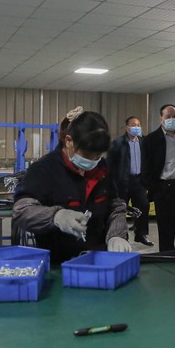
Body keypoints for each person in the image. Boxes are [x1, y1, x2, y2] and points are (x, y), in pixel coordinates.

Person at [13, 108, 130, 264]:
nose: (93, 161)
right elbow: (21, 211)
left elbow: (115, 206)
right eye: (87, 155)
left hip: (98, 262)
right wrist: (55, 216)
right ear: (69, 141)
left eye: (98, 156)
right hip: (57, 265)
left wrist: (116, 234)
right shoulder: (43, 170)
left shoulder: (102, 168)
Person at [141, 104, 175, 251]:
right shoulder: (151, 140)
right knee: (166, 233)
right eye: (168, 117)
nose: (172, 119)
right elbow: (146, 168)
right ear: (161, 118)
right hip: (165, 191)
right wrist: (155, 189)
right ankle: (168, 262)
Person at [106, 116, 153, 247]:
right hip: (123, 182)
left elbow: (148, 162)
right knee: (121, 210)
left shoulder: (144, 142)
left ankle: (141, 234)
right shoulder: (118, 143)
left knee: (143, 205)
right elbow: (109, 164)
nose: (136, 127)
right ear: (127, 127)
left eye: (138, 124)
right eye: (133, 125)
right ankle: (122, 236)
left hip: (139, 181)